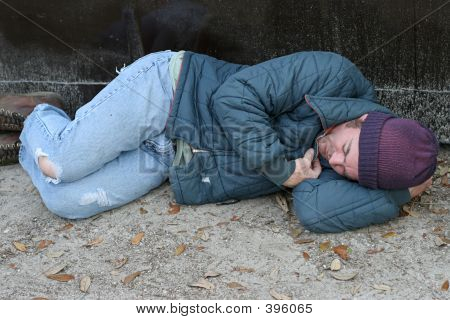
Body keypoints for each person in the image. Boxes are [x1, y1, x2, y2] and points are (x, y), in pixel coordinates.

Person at [0, 50, 438, 233]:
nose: (335, 158)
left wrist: (399, 194)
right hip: (167, 92)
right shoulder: (332, 74)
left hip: (170, 155)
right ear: (362, 119)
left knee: (67, 201)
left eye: (347, 169)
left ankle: (32, 137)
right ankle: (41, 111)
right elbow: (235, 96)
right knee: (62, 163)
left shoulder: (354, 167)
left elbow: (315, 210)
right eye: (345, 147)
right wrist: (282, 169)